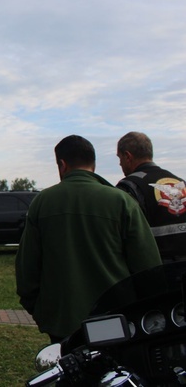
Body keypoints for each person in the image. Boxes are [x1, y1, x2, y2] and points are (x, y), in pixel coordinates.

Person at [16, 135, 161, 342]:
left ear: (62, 164)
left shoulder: (43, 202)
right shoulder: (121, 201)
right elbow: (148, 268)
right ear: (93, 163)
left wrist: (39, 309)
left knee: (70, 369)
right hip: (114, 318)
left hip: (62, 320)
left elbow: (27, 268)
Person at [116, 131, 186, 261]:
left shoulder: (129, 187)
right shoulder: (181, 182)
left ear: (127, 156)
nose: (120, 164)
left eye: (120, 159)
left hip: (155, 271)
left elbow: (120, 236)